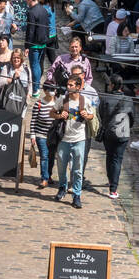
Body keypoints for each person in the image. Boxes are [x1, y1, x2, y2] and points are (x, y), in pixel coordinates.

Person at [51, 72, 92, 208]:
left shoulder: (84, 101)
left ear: (78, 87)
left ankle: (76, 195)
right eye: (68, 84)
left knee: (77, 169)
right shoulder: (62, 99)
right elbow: (52, 112)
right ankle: (62, 188)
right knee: (62, 167)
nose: (68, 87)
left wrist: (87, 115)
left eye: (71, 85)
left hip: (79, 139)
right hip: (64, 139)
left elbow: (92, 116)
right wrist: (58, 115)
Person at [99, 74, 134, 199]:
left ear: (112, 85)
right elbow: (132, 118)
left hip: (108, 132)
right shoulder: (128, 99)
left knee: (110, 156)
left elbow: (101, 115)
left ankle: (111, 180)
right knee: (117, 159)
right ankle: (113, 189)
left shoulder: (105, 98)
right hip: (123, 132)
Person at [29, 82, 56, 188]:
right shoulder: (39, 104)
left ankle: (49, 175)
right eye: (50, 90)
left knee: (51, 156)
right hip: (41, 134)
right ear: (45, 91)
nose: (52, 92)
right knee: (44, 156)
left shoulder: (58, 104)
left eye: (53, 89)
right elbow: (33, 120)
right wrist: (32, 135)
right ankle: (44, 178)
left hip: (53, 136)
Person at [24, 0, 51, 94]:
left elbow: (30, 30)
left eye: (27, 0)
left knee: (34, 65)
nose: (27, 2)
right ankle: (37, 85)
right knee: (39, 65)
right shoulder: (44, 9)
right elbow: (48, 25)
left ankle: (35, 89)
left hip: (34, 43)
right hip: (43, 42)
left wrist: (27, 45)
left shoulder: (31, 12)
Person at [0, 46, 30, 116]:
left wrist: (29, 94)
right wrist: (12, 79)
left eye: (18, 57)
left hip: (21, 102)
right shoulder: (7, 68)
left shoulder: (26, 69)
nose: (16, 59)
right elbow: (0, 83)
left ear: (21, 58)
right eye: (14, 57)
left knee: (18, 122)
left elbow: (30, 84)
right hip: (8, 100)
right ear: (11, 58)